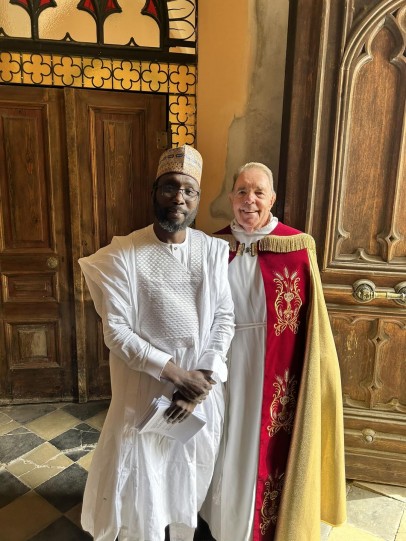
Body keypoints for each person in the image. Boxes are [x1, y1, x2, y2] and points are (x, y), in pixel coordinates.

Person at [79, 145, 235, 541]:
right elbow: (117, 331)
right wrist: (176, 375)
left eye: (188, 190)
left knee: (187, 475)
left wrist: (200, 380)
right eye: (169, 188)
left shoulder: (215, 251)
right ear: (154, 193)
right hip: (144, 387)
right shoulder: (122, 255)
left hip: (199, 392)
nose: (178, 198)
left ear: (198, 199)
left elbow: (223, 318)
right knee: (140, 480)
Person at [201, 162, 346, 540]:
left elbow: (312, 327)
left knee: (260, 445)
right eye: (242, 192)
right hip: (222, 361)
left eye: (258, 192)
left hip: (274, 367)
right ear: (231, 198)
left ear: (272, 199)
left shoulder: (297, 248)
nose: (249, 200)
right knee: (222, 438)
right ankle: (222, 523)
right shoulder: (212, 246)